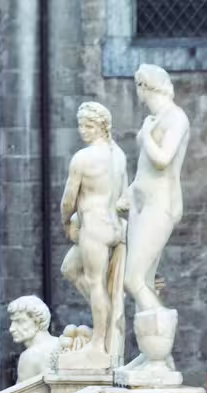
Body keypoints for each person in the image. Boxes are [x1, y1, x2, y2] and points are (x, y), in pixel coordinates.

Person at [60, 102, 128, 358]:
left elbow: (68, 200)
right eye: (81, 125)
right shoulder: (118, 155)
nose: (83, 131)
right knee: (69, 269)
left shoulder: (82, 158)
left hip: (95, 228)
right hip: (114, 227)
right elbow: (123, 195)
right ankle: (108, 318)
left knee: (96, 284)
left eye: (88, 125)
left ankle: (99, 344)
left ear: (101, 126)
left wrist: (66, 222)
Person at [121, 64, 189, 313]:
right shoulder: (154, 120)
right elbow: (145, 169)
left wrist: (145, 137)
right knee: (145, 282)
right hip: (141, 203)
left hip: (160, 203)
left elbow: (162, 160)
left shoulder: (176, 117)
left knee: (133, 280)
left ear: (143, 87)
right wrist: (129, 193)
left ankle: (161, 334)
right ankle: (149, 352)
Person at [7, 295, 59, 382]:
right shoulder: (60, 343)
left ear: (36, 321)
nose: (11, 329)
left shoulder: (30, 356)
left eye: (19, 321)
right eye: (12, 322)